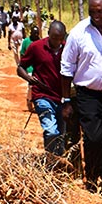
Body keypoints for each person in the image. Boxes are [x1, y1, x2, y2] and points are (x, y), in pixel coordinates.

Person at [60, 0, 102, 197]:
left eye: (101, 11)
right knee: (94, 138)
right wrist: (66, 100)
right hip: (88, 95)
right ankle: (92, 177)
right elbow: (67, 68)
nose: (96, 15)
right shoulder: (79, 33)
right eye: (92, 11)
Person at [17, 21, 68, 156]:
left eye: (60, 38)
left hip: (62, 98)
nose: (57, 41)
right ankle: (51, 160)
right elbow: (20, 67)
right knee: (51, 131)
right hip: (42, 96)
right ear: (48, 34)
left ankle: (57, 163)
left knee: (61, 134)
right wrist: (29, 79)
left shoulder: (68, 49)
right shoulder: (36, 47)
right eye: (54, 37)